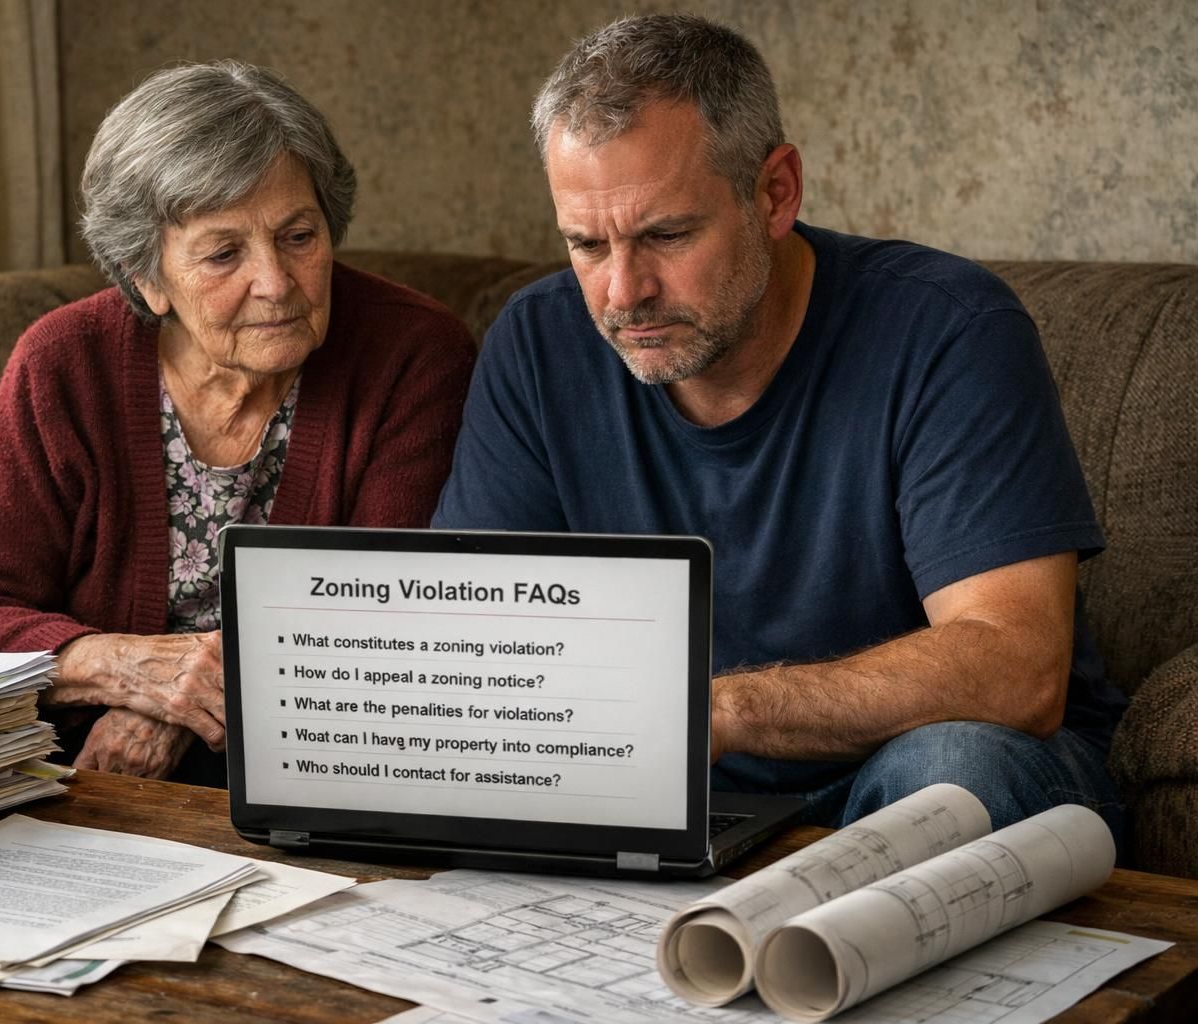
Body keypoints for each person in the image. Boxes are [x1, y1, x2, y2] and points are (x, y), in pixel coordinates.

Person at [433, 14, 1126, 839]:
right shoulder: (538, 342)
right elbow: (476, 642)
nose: (622, 294)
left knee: (951, 774)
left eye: (666, 234)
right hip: (672, 795)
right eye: (586, 244)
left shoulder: (949, 329)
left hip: (933, 763)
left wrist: (726, 710)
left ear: (775, 192)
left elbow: (1018, 668)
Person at [0, 61, 475, 784]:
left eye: (299, 236)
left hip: (319, 773)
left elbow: (388, 620)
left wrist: (177, 706)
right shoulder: (63, 364)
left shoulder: (413, 356)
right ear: (146, 276)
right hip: (70, 773)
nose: (275, 282)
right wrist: (129, 672)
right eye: (224, 253)